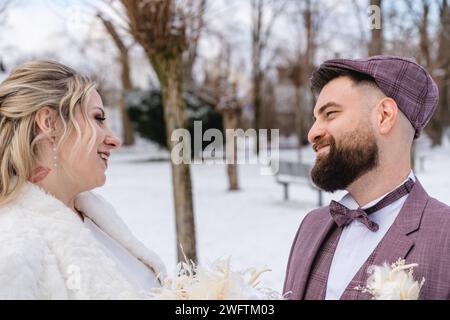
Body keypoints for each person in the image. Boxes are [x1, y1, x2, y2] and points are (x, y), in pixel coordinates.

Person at [283, 55, 450, 300]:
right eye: (315, 119)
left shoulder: (445, 236)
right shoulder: (311, 225)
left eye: (330, 114)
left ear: (383, 115)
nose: (312, 133)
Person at [0, 60, 166, 299]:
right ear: (50, 124)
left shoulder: (96, 217)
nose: (114, 140)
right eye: (98, 118)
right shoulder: (14, 252)